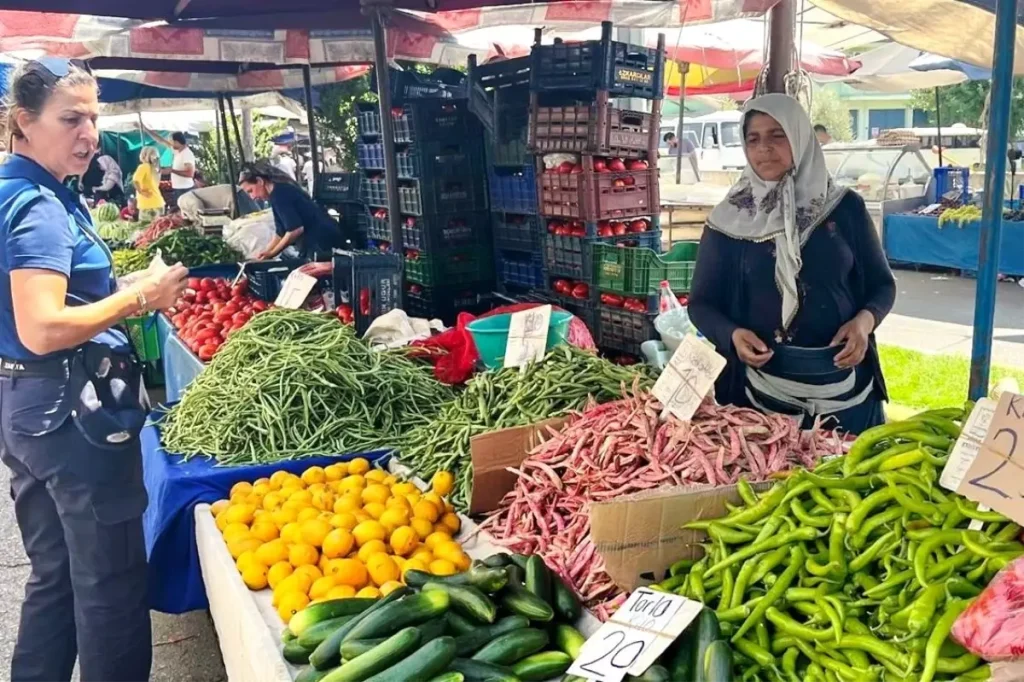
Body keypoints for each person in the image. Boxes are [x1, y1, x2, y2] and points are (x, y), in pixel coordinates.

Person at [0, 58, 188, 682]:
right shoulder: (37, 207)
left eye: (94, 118)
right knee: (110, 583)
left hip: (26, 407)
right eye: (71, 119)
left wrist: (120, 287)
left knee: (55, 576)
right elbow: (44, 326)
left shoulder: (21, 191)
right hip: (70, 416)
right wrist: (142, 298)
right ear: (23, 122)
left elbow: (42, 301)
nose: (89, 135)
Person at [687, 94, 896, 435]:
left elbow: (882, 285)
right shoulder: (729, 220)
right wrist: (732, 335)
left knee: (848, 466)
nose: (764, 148)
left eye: (777, 135)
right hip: (758, 394)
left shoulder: (845, 208)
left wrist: (864, 322)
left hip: (845, 388)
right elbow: (701, 304)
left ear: (800, 137)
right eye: (753, 139)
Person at [238, 161, 345, 260]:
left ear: (260, 181)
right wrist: (265, 252)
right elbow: (280, 233)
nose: (252, 197)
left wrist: (272, 254)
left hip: (322, 242)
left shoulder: (280, 194)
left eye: (251, 191)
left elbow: (295, 230)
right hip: (318, 241)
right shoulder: (276, 194)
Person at [140, 126, 195, 204]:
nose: (170, 144)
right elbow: (160, 140)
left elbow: (190, 174)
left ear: (176, 142)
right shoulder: (177, 151)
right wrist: (145, 129)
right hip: (178, 188)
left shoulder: (187, 154)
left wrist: (171, 170)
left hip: (185, 189)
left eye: (171, 141)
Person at [132, 146, 165, 221]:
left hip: (147, 204)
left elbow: (135, 181)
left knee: (146, 227)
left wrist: (141, 192)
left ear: (143, 155)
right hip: (159, 203)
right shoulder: (156, 169)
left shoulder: (143, 167)